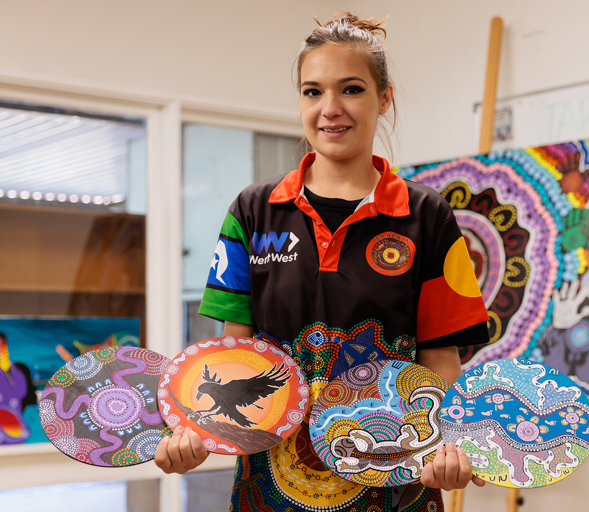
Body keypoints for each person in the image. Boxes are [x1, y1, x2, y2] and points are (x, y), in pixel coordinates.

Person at [155, 12, 490, 512]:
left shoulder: (427, 216)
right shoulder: (252, 211)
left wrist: (448, 446)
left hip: (396, 483)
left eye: (350, 89)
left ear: (384, 98)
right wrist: (193, 435)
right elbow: (233, 357)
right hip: (269, 487)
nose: (330, 109)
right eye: (312, 92)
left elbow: (440, 360)